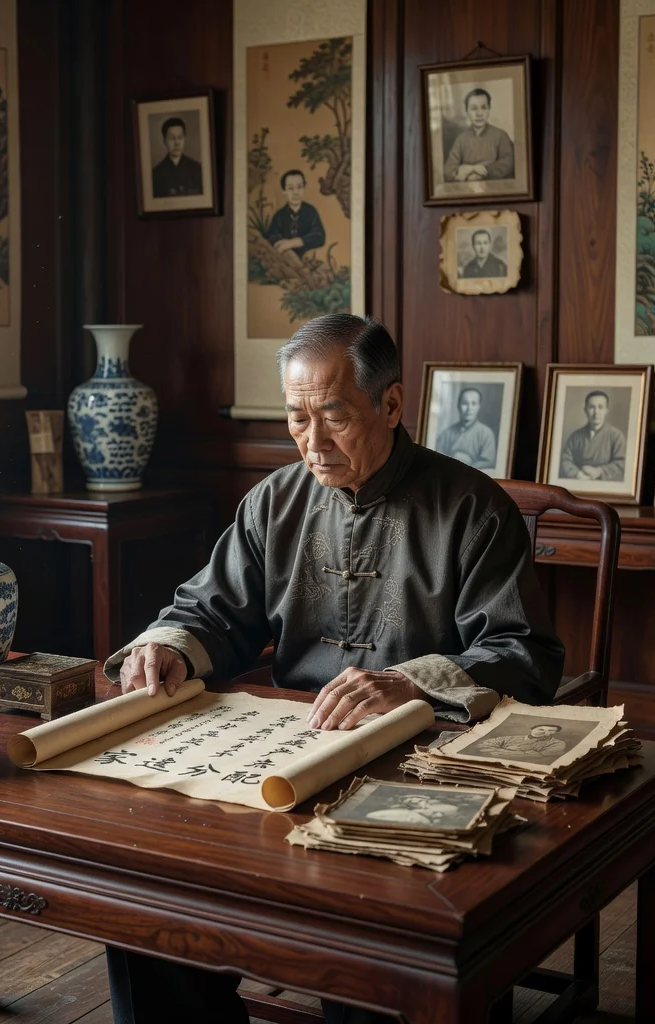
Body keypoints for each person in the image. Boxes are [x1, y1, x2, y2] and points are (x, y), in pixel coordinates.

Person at [101, 313, 564, 1024]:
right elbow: (212, 611)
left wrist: (413, 683)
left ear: (390, 405)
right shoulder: (273, 503)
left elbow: (524, 655)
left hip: (418, 765)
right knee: (148, 905)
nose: (312, 444)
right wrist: (167, 643)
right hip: (284, 755)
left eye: (334, 417)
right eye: (294, 419)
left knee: (373, 957)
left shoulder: (471, 509)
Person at [443, 87, 515, 183]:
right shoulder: (461, 139)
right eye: (473, 108)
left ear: (489, 109)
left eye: (483, 107)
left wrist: (483, 170)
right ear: (467, 112)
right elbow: (448, 170)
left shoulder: (501, 135)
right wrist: (463, 170)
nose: (479, 113)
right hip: (466, 190)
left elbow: (508, 163)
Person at [559, 390, 626, 482]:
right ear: (585, 410)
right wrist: (578, 474)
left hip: (606, 486)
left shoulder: (616, 436)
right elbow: (565, 461)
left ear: (606, 410)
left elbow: (621, 463)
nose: (596, 412)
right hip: (579, 482)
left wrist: (599, 471)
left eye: (600, 407)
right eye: (591, 407)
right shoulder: (575, 436)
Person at [266, 169, 326, 257]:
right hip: (284, 260)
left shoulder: (311, 212)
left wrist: (294, 242)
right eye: (290, 188)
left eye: (299, 187)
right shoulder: (279, 215)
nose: (295, 193)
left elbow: (319, 236)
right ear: (284, 191)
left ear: (304, 188)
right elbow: (272, 236)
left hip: (308, 262)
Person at [435, 386, 497, 469]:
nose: (469, 408)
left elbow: (488, 462)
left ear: (479, 407)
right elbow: (436, 460)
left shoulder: (486, 434)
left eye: (473, 403)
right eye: (465, 403)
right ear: (458, 406)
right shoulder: (446, 434)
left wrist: (465, 469)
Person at [152, 116, 204, 197]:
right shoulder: (156, 174)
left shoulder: (198, 169)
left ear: (184, 139)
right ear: (164, 141)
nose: (177, 143)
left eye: (180, 137)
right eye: (172, 138)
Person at [476, 723, 566, 761]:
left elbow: (541, 756)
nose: (542, 732)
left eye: (550, 730)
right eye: (540, 729)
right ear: (532, 729)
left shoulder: (557, 743)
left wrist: (498, 751)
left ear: (555, 733)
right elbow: (482, 745)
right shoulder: (509, 738)